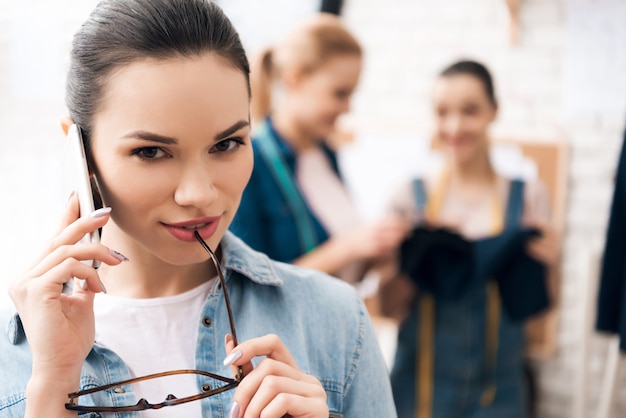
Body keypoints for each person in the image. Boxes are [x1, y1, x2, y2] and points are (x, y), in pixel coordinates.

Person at [0, 1, 396, 417]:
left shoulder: (336, 322)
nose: (199, 194)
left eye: (226, 144)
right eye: (151, 151)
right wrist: (51, 388)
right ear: (79, 152)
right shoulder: (15, 357)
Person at [379, 60, 560, 418]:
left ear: (494, 111)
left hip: (500, 395)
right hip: (418, 393)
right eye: (443, 112)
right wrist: (422, 254)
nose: (455, 126)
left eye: (470, 111)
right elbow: (387, 306)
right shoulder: (408, 199)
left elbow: (543, 308)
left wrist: (550, 262)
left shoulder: (529, 199)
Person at [229, 13, 408, 284]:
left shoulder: (325, 153)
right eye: (340, 93)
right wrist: (348, 248)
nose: (347, 108)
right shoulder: (249, 163)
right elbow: (247, 284)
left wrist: (379, 249)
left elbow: (341, 270)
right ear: (295, 79)